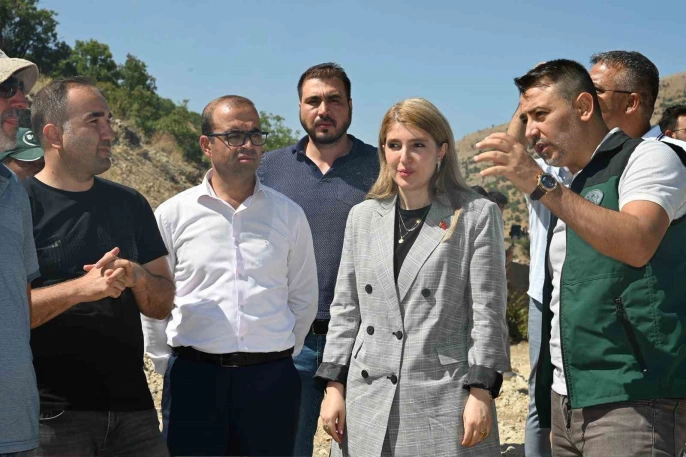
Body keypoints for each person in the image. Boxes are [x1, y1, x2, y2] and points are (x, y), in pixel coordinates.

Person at [475, 59, 686, 456]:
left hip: (634, 399)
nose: (531, 130)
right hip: (568, 401)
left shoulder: (649, 159)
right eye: (526, 118)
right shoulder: (568, 182)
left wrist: (541, 184)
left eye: (541, 115)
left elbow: (638, 242)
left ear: (585, 107)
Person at [317, 98, 509, 457]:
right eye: (394, 145)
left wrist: (481, 391)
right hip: (366, 396)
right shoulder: (362, 217)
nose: (404, 158)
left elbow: (488, 313)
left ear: (441, 151)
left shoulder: (475, 215)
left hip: (443, 399)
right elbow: (345, 309)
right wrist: (333, 387)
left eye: (417, 145)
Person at [143, 95, 318, 456]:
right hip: (195, 381)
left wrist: (277, 353)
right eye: (235, 135)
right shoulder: (172, 215)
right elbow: (155, 299)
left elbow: (303, 298)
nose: (248, 144)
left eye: (255, 134)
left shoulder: (289, 215)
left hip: (270, 383)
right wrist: (166, 362)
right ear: (206, 144)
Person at [25, 77, 174, 456]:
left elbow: (163, 305)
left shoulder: (131, 204)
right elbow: (8, 313)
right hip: (51, 419)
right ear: (54, 135)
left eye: (108, 120)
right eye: (94, 121)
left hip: (135, 415)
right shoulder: (18, 207)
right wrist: (81, 289)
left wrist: (137, 277)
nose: (110, 132)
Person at [257, 62, 379, 457]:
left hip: (363, 343)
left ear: (350, 106)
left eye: (334, 100)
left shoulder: (383, 168)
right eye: (313, 101)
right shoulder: (268, 169)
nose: (323, 110)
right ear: (299, 107)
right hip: (288, 342)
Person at [505, 99, 572, 457]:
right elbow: (511, 150)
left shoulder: (601, 169)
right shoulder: (543, 171)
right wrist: (523, 106)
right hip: (542, 297)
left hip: (584, 295)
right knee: (540, 394)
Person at [0, 48, 40, 457]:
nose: (21, 100)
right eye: (6, 88)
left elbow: (22, 306)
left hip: (17, 430)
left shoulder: (14, 192)